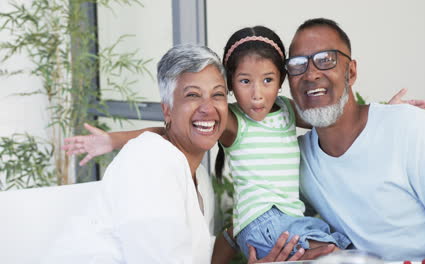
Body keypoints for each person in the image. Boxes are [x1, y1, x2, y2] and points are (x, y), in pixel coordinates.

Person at [63, 26, 425, 262]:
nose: (257, 94)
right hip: (263, 219)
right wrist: (112, 139)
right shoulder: (232, 122)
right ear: (234, 85)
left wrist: (381, 113)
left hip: (285, 218)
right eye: (245, 82)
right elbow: (169, 131)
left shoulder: (285, 110)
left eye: (268, 80)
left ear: (282, 82)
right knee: (332, 252)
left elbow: (330, 113)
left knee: (342, 242)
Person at [45, 44, 321, 264]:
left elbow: (195, 254)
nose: (207, 108)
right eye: (192, 95)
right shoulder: (149, 164)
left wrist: (239, 231)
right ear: (167, 110)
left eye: (217, 95)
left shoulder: (196, 174)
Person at [286, 18, 425, 262]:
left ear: (351, 72)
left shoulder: (408, 127)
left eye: (326, 60)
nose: (310, 74)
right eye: (297, 65)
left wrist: (391, 121)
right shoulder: (299, 159)